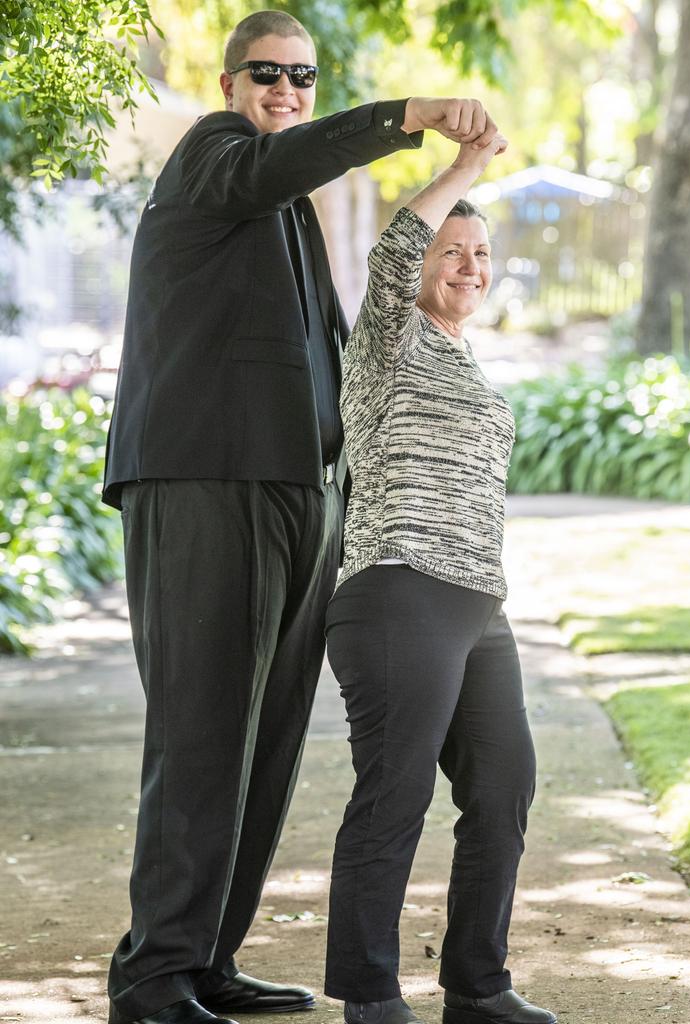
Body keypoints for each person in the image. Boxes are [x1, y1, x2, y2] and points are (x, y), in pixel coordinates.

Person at [101, 8, 502, 1024]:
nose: (285, 90)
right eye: (267, 74)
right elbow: (273, 166)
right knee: (201, 732)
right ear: (231, 82)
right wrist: (406, 115)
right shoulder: (215, 158)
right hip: (204, 482)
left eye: (303, 77)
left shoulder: (283, 210)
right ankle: (153, 979)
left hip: (294, 492)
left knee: (266, 741)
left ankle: (207, 958)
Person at [323, 137, 556, 1024]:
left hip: (474, 606)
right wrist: (464, 167)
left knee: (503, 786)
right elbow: (390, 254)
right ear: (419, 262)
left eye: (482, 254)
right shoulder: (389, 337)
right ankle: (371, 996)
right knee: (394, 793)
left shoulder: (461, 355)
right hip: (397, 589)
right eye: (450, 250)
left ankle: (476, 985)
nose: (469, 266)